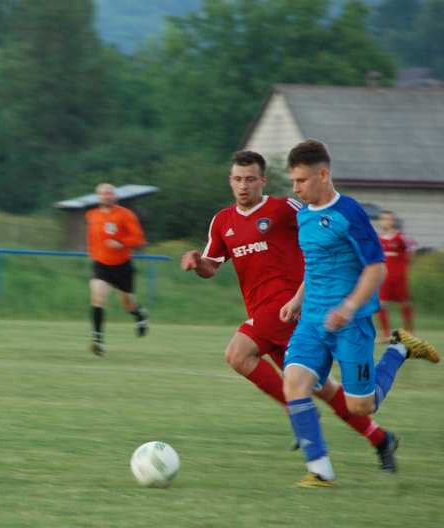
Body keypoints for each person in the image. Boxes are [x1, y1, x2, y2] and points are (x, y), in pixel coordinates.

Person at [181, 150, 401, 472]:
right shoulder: (223, 221)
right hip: (276, 315)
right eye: (237, 179)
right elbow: (212, 267)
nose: (244, 186)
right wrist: (197, 262)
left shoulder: (286, 208)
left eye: (250, 179)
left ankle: (298, 419)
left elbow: (322, 226)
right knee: (322, 389)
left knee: (238, 354)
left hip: (293, 307)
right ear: (230, 181)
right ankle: (380, 439)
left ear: (263, 181)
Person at [278, 139, 438, 488]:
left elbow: (376, 268)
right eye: (293, 181)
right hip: (312, 321)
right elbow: (315, 264)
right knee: (294, 384)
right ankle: (320, 472)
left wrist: (349, 307)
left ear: (323, 174)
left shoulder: (349, 214)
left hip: (351, 324)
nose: (296, 188)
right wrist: (297, 299)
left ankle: (399, 349)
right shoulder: (303, 215)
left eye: (302, 180)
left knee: (361, 408)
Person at [86, 183, 148, 356]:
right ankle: (97, 340)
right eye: (103, 193)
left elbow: (139, 239)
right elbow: (92, 237)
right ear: (98, 196)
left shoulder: (125, 215)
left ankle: (140, 314)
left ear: (115, 196)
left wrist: (121, 243)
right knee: (98, 298)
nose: (107, 196)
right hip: (101, 266)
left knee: (127, 305)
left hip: (122, 266)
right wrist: (92, 253)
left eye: (110, 193)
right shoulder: (92, 215)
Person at [376, 210, 416, 337]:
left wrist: (405, 265)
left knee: (405, 303)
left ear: (393, 221)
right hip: (384, 277)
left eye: (389, 219)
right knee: (380, 304)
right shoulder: (378, 238)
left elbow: (412, 248)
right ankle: (386, 333)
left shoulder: (400, 237)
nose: (386, 221)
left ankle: (409, 332)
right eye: (384, 219)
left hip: (399, 277)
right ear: (380, 221)